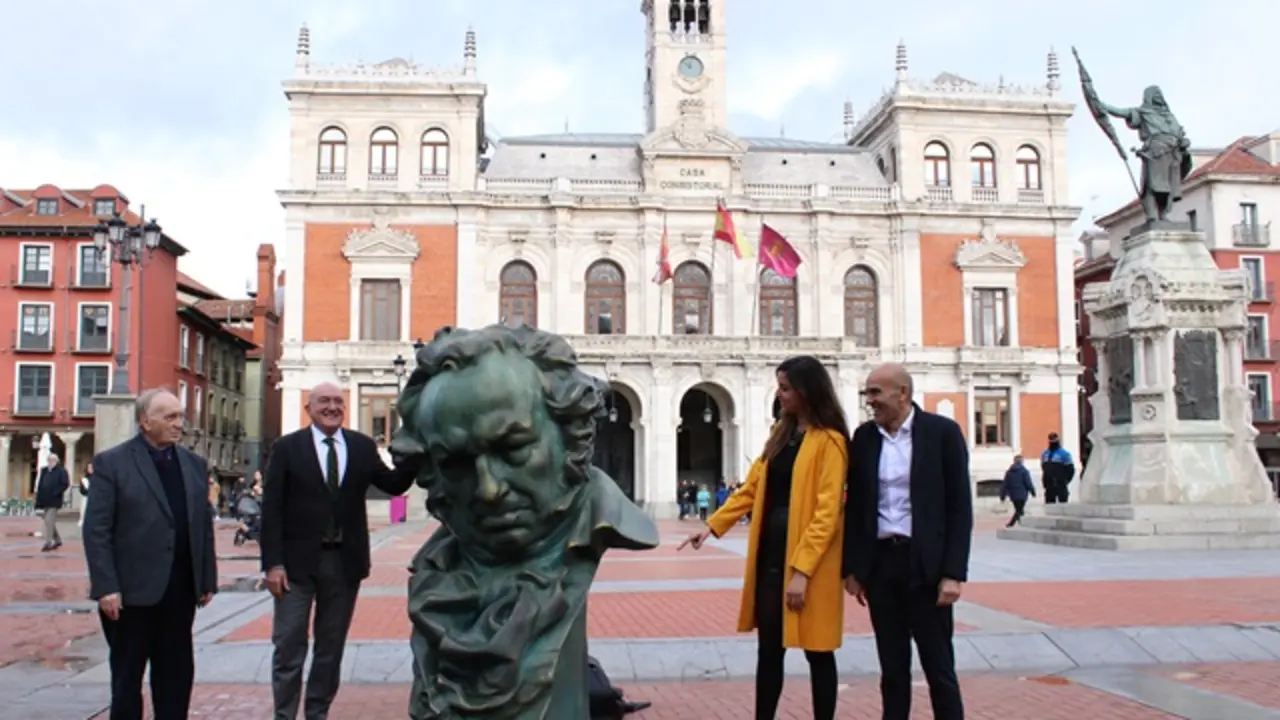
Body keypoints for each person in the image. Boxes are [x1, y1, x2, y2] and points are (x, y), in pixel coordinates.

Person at [681, 355, 849, 719]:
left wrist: (802, 571)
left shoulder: (831, 442)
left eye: (786, 388)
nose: (780, 394)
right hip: (771, 555)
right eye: (779, 387)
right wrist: (712, 526)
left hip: (810, 562)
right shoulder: (780, 436)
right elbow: (751, 488)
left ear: (807, 391)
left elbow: (828, 512)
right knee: (769, 650)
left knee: (818, 652)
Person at [261, 381, 423, 720]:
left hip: (343, 563)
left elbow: (393, 485)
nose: (332, 407)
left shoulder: (361, 446)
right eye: (323, 401)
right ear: (309, 408)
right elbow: (272, 509)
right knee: (288, 645)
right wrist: (273, 564)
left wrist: (415, 452)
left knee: (330, 648)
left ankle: (317, 713)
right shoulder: (287, 448)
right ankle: (284, 715)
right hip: (294, 566)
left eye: (338, 401)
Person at [843, 363, 971, 720]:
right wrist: (853, 568)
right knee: (892, 668)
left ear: (903, 393)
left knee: (938, 666)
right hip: (882, 565)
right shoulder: (864, 438)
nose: (870, 401)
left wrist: (953, 573)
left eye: (876, 392)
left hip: (926, 566)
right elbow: (856, 507)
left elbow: (959, 507)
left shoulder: (942, 433)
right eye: (867, 393)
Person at [83, 388, 217, 720]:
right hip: (130, 596)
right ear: (145, 421)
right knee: (127, 680)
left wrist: (206, 578)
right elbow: (97, 530)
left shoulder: (194, 465)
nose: (178, 424)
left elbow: (202, 525)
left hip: (180, 592)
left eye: (180, 416)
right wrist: (106, 586)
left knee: (176, 677)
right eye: (169, 417)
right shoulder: (112, 463)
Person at [35, 454, 69, 551]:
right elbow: (40, 485)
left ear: (56, 461)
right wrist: (38, 500)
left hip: (54, 500)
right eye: (49, 460)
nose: (50, 462)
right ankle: (57, 540)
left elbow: (65, 484)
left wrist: (56, 492)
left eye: (53, 460)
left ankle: (48, 542)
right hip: (44, 500)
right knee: (48, 521)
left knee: (49, 520)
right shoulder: (44, 470)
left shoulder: (61, 471)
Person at [1040, 432, 1076, 504]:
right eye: (1051, 440)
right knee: (1049, 505)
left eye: (1054, 440)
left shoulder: (1064, 454)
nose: (1052, 442)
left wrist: (1065, 481)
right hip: (1049, 485)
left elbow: (1070, 469)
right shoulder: (1045, 454)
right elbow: (1043, 467)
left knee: (1062, 504)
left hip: (1060, 484)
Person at [1000, 455, 1035, 527]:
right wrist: (1032, 491)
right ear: (1022, 461)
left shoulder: (1009, 472)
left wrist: (1003, 495)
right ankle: (1011, 524)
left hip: (1013, 494)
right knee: (1019, 510)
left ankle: (1022, 524)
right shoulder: (1024, 471)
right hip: (1022, 494)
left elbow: (1005, 484)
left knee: (1019, 509)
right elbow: (1028, 482)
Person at [78, 462, 94, 530]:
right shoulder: (84, 479)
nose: (91, 469)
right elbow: (82, 490)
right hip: (86, 499)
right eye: (89, 467)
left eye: (92, 467)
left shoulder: (98, 479)